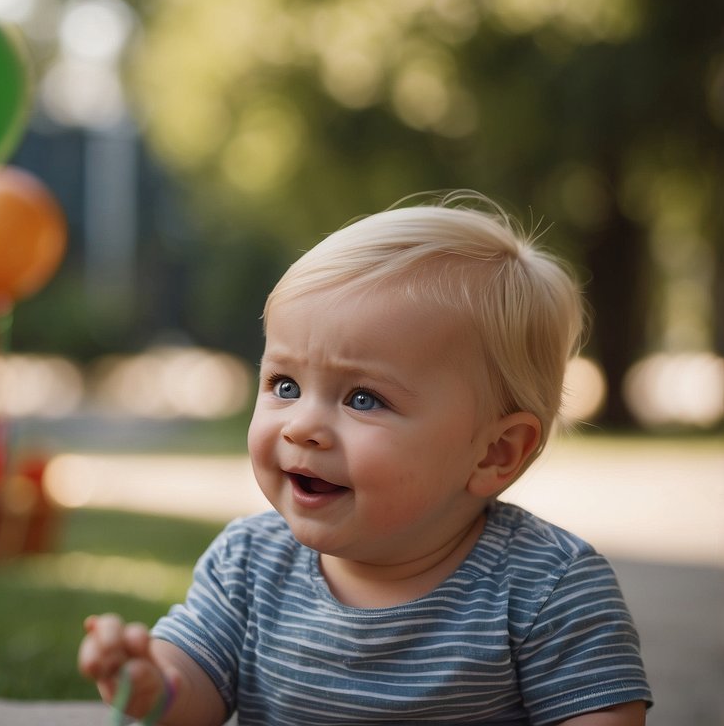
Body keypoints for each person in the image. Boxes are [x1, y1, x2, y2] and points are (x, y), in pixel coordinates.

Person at [78, 192, 652, 725]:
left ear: (495, 453)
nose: (302, 426)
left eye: (363, 398)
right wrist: (156, 686)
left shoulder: (547, 588)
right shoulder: (248, 565)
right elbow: (193, 690)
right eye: (284, 384)